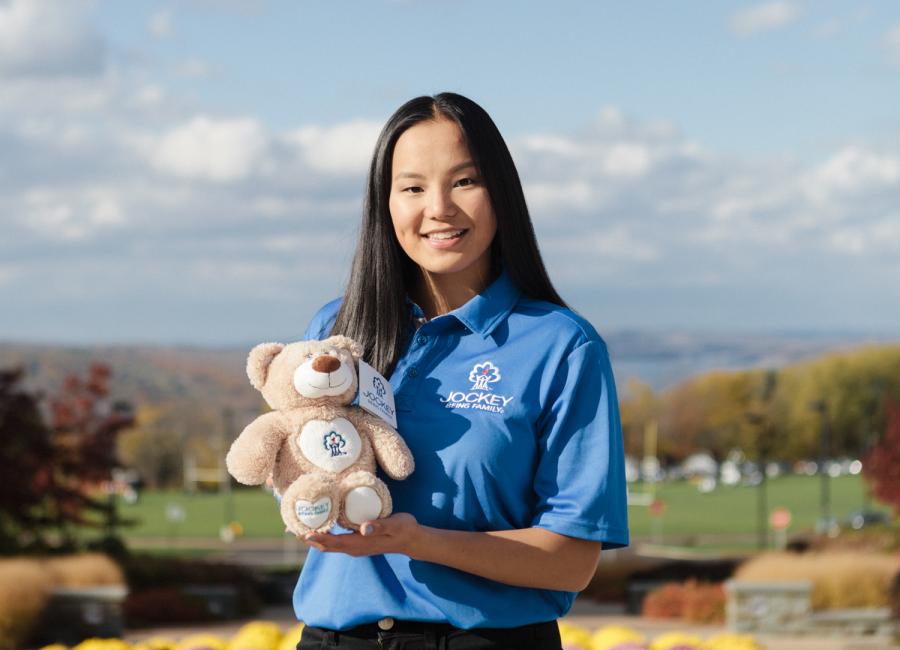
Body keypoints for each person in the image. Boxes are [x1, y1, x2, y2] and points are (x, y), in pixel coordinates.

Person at [295, 92, 629, 650]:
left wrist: (419, 541)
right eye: (413, 187)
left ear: (502, 194)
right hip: (334, 638)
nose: (440, 208)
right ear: (386, 204)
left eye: (465, 181)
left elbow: (570, 563)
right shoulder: (336, 329)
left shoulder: (562, 345)